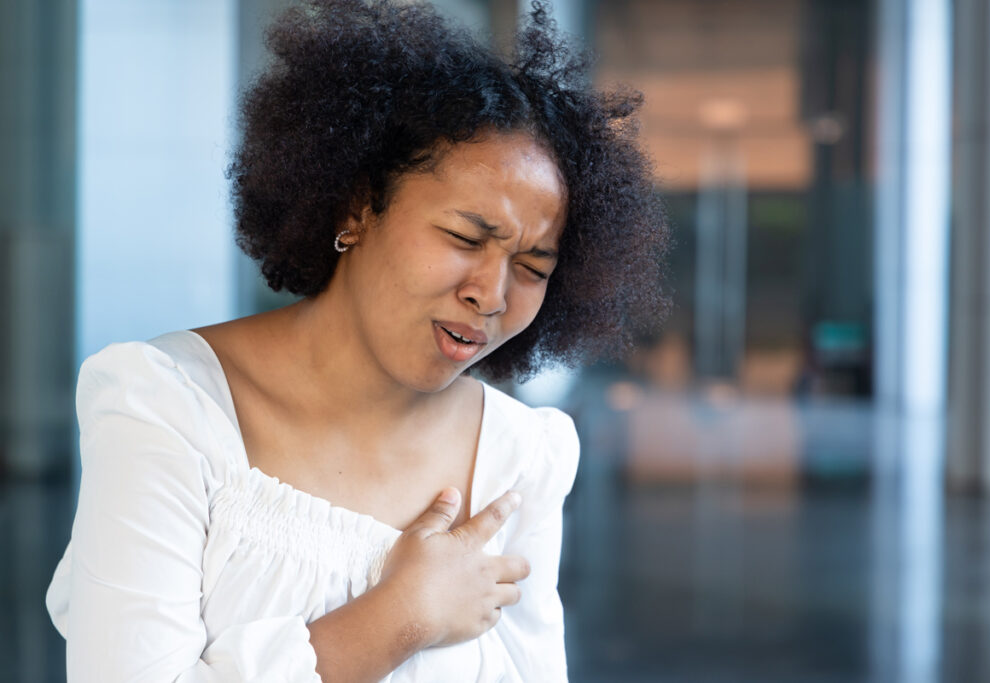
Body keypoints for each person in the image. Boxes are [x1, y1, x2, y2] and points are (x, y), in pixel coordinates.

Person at [46, 1, 669, 681]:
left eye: (531, 268)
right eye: (465, 238)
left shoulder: (519, 458)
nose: (491, 294)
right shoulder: (168, 407)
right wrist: (403, 615)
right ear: (357, 206)